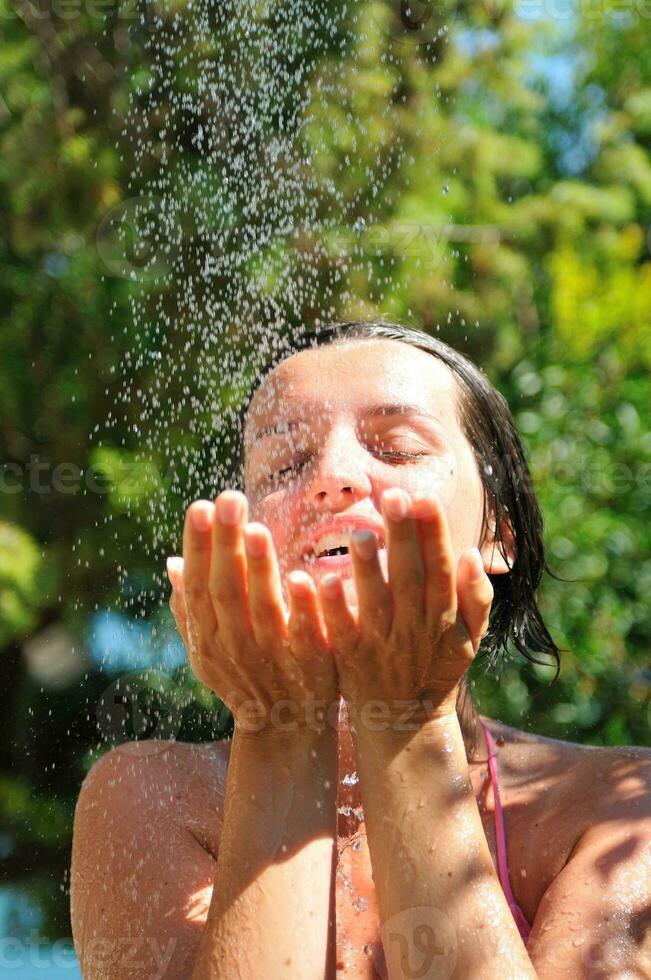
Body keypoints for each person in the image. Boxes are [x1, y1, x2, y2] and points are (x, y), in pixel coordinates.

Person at [71, 321, 650, 979]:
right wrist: (278, 725)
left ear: (499, 532)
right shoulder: (154, 797)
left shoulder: (621, 808)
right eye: (285, 464)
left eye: (398, 449)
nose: (332, 478)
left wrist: (407, 725)